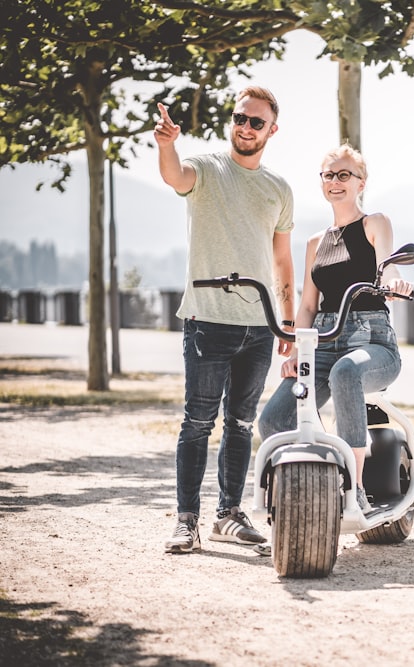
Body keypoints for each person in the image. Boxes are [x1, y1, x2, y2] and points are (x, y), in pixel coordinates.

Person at [154, 86, 296, 554]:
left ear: (272, 130)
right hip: (207, 319)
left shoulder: (279, 189)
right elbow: (176, 177)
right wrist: (167, 144)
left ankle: (228, 515)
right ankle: (186, 520)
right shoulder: (209, 168)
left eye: (257, 122)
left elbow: (282, 261)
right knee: (197, 421)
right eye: (240, 118)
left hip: (259, 326)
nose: (246, 127)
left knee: (240, 423)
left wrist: (287, 323)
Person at [259, 143, 412, 513]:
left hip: (372, 341)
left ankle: (354, 490)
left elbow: (387, 264)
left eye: (345, 175)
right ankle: (324, 473)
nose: (335, 182)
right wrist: (297, 350)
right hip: (323, 341)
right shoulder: (315, 242)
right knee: (274, 419)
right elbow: (309, 303)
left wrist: (394, 281)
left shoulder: (375, 223)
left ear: (361, 183)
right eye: (329, 175)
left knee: (347, 372)